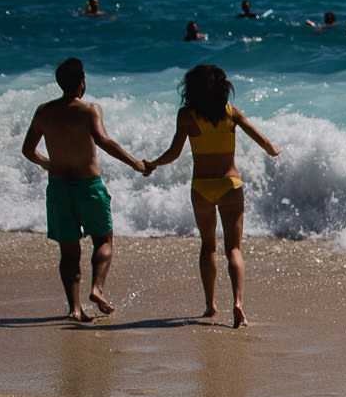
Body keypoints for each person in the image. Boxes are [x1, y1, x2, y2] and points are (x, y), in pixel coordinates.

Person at [145, 63, 281, 327]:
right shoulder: (232, 114)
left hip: (202, 188)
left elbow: (174, 153)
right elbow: (264, 142)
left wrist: (153, 163)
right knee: (234, 249)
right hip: (230, 185)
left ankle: (210, 305)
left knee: (208, 247)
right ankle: (238, 303)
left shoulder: (186, 116)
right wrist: (274, 150)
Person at [19, 58, 151, 322]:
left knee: (69, 252)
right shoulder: (90, 110)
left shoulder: (44, 111)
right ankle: (97, 288)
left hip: (58, 188)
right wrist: (135, 164)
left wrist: (48, 163)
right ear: (82, 82)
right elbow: (102, 140)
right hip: (88, 186)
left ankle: (74, 309)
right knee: (103, 240)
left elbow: (27, 150)